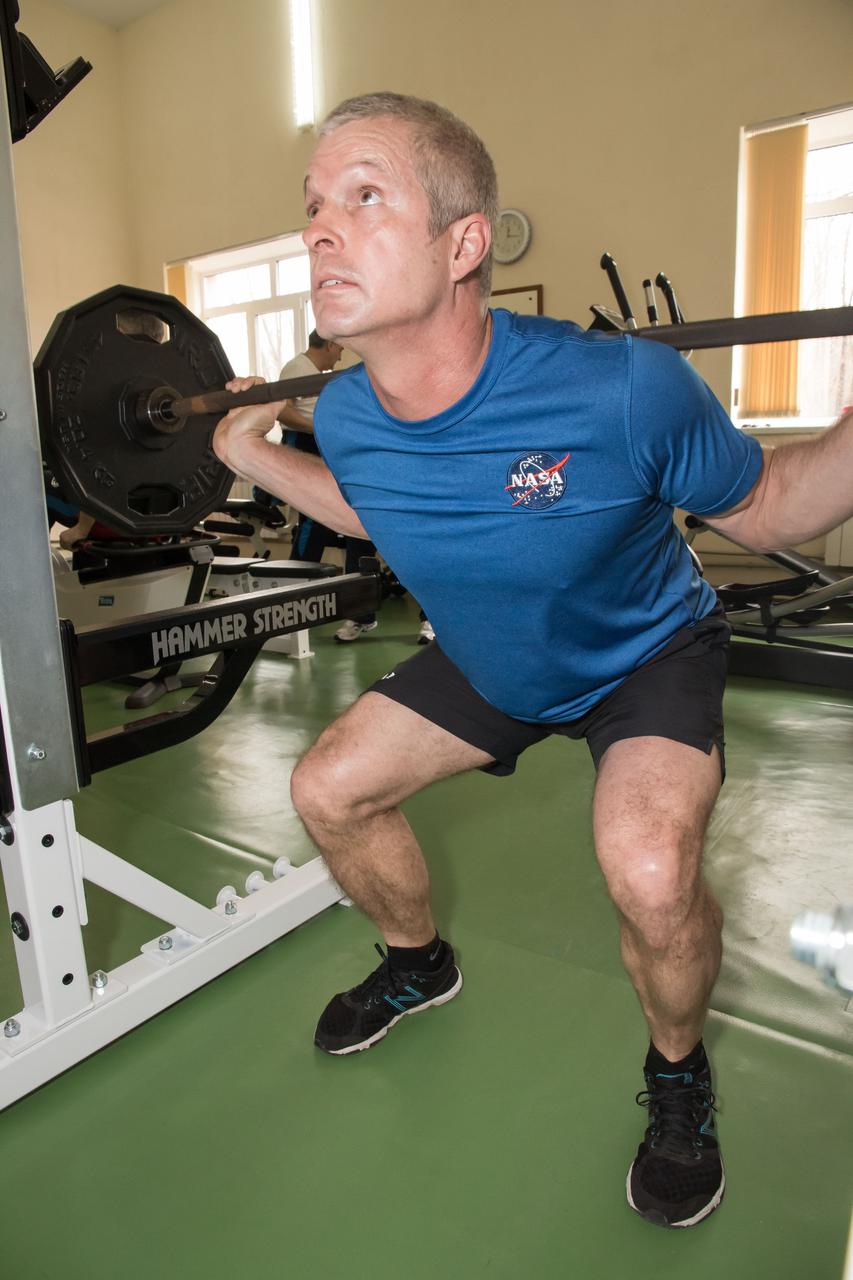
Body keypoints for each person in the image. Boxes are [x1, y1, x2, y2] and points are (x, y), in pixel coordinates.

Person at [212, 92, 853, 1229]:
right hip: (495, 659)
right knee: (328, 787)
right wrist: (249, 453)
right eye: (313, 204)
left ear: (465, 244)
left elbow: (771, 506)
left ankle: (675, 1074)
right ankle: (418, 961)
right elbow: (370, 511)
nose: (319, 227)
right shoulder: (350, 413)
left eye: (364, 197)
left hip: (642, 649)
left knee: (651, 873)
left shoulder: (621, 387)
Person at [270, 331, 379, 641]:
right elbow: (282, 411)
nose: (340, 356)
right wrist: (318, 427)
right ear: (329, 344)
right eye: (339, 349)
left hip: (335, 448)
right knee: (313, 527)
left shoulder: (327, 377)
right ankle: (290, 604)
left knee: (356, 526)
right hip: (308, 446)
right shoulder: (297, 369)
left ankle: (361, 613)